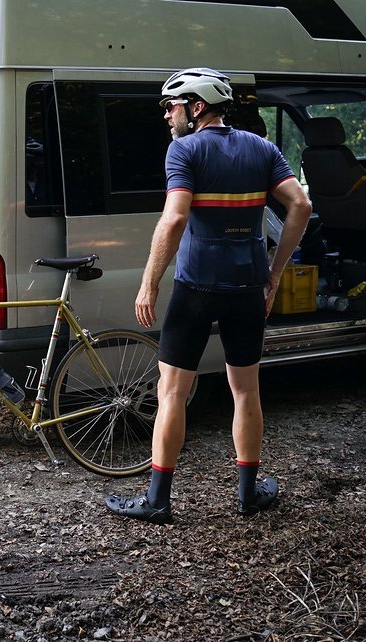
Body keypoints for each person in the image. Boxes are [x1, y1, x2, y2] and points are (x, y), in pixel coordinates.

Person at [105, 68, 312, 524]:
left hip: (196, 287)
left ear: (196, 107)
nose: (167, 115)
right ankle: (247, 496)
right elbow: (301, 205)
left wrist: (149, 281)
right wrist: (275, 273)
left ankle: (158, 500)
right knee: (245, 391)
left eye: (171, 106)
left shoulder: (183, 150)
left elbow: (175, 219)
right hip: (246, 288)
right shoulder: (261, 147)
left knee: (173, 392)